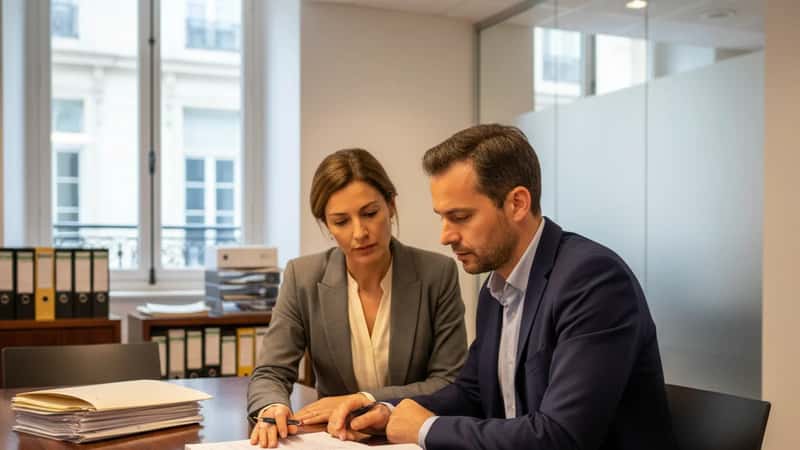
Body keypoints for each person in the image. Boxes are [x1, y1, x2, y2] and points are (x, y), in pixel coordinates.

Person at [327, 125, 677, 449]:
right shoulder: (496, 290)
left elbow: (562, 436)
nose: (445, 235)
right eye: (442, 217)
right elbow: (472, 393)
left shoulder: (592, 280)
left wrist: (425, 429)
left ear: (517, 204)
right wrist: (387, 410)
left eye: (461, 217)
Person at [247, 148, 468, 448]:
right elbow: (271, 372)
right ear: (326, 225)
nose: (360, 232)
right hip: (333, 439)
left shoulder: (437, 274)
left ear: (391, 205)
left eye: (370, 213)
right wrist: (272, 408)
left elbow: (449, 381)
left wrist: (364, 399)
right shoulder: (303, 277)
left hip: (405, 438)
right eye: (341, 221)